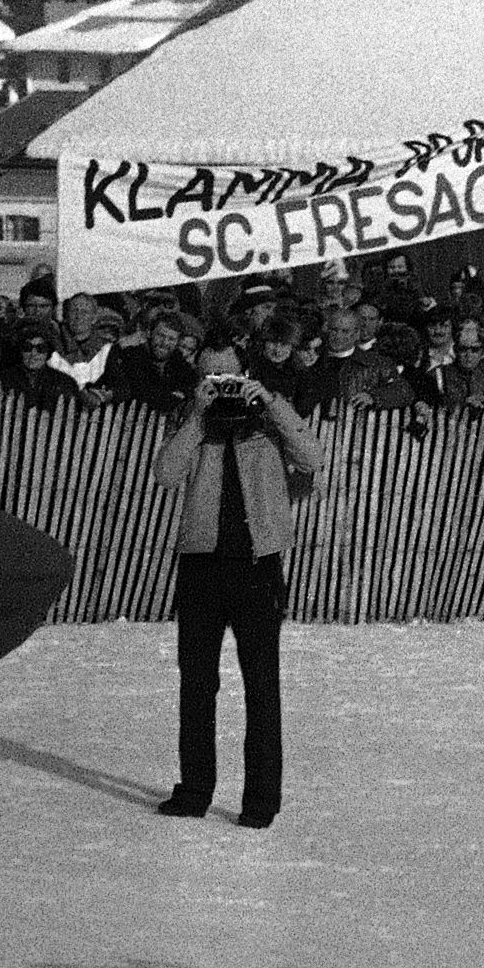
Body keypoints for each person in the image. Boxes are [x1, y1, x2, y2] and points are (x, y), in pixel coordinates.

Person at [152, 332, 320, 829]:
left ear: (246, 373)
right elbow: (165, 472)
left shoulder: (269, 417)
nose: (219, 385)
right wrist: (198, 415)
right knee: (196, 685)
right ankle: (195, 789)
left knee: (262, 687)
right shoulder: (191, 418)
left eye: (227, 375)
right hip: (202, 564)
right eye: (209, 376)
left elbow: (312, 459)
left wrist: (269, 401)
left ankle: (261, 800)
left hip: (256, 565)